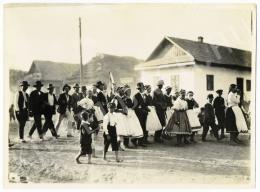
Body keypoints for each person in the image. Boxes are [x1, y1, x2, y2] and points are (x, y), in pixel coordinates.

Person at [77, 92, 99, 157]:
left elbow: (94, 120)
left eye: (90, 93)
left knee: (92, 140)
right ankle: (83, 153)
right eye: (88, 93)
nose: (90, 94)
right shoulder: (82, 104)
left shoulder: (91, 112)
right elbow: (79, 112)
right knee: (82, 140)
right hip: (84, 126)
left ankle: (93, 154)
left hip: (90, 125)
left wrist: (95, 128)